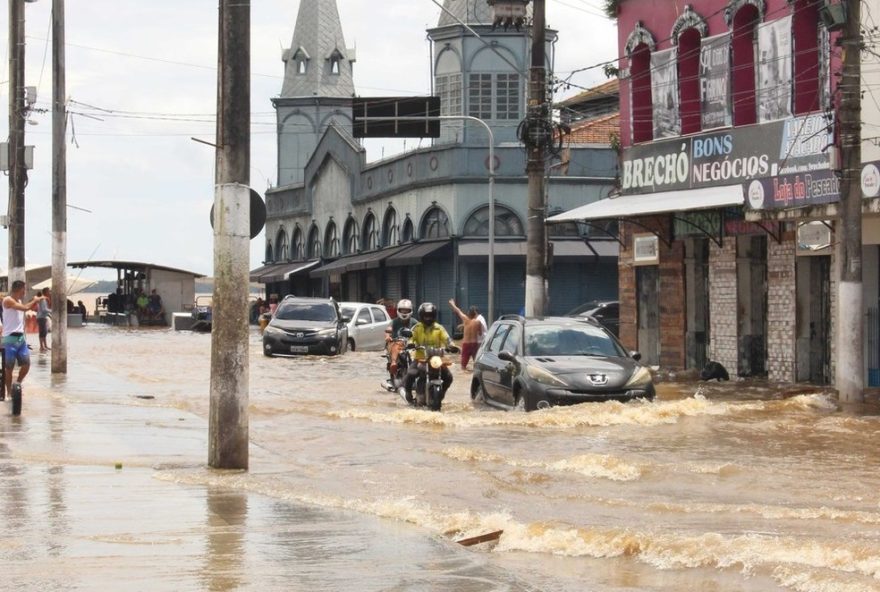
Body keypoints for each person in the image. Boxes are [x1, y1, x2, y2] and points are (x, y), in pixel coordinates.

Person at [2, 281, 46, 400]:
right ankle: (9, 394)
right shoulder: (8, 300)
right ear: (19, 289)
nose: (24, 292)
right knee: (9, 368)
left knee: (26, 365)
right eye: (24, 289)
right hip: (9, 339)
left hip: (21, 339)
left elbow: (23, 312)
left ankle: (17, 384)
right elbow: (26, 308)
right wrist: (35, 300)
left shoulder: (20, 301)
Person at [404, 302, 454, 405]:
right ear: (421, 316)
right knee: (410, 374)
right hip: (420, 359)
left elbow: (447, 339)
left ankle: (442, 392)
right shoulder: (416, 328)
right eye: (426, 316)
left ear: (434, 316)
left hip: (436, 359)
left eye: (430, 316)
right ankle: (408, 393)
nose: (428, 318)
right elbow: (410, 338)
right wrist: (410, 344)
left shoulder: (439, 328)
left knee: (449, 377)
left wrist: (452, 346)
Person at [384, 298, 416, 387]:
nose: (404, 312)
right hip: (396, 343)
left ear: (410, 311)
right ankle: (394, 363)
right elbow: (388, 330)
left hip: (411, 344)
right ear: (398, 310)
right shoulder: (394, 321)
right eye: (403, 310)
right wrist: (388, 337)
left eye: (407, 310)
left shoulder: (414, 322)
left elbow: (421, 331)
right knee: (398, 344)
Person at [448, 299, 485, 371]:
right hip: (474, 344)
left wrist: (452, 304)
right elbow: (480, 333)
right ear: (475, 314)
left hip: (466, 344)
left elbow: (458, 311)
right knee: (476, 363)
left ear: (468, 314)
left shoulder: (465, 319)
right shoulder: (478, 322)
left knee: (463, 366)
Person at [36, 287, 52, 352]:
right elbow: (44, 310)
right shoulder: (43, 300)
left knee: (44, 332)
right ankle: (42, 346)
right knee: (42, 332)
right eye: (48, 291)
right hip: (41, 317)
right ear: (45, 292)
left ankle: (45, 346)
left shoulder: (44, 299)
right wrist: (51, 310)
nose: (49, 293)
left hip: (42, 317)